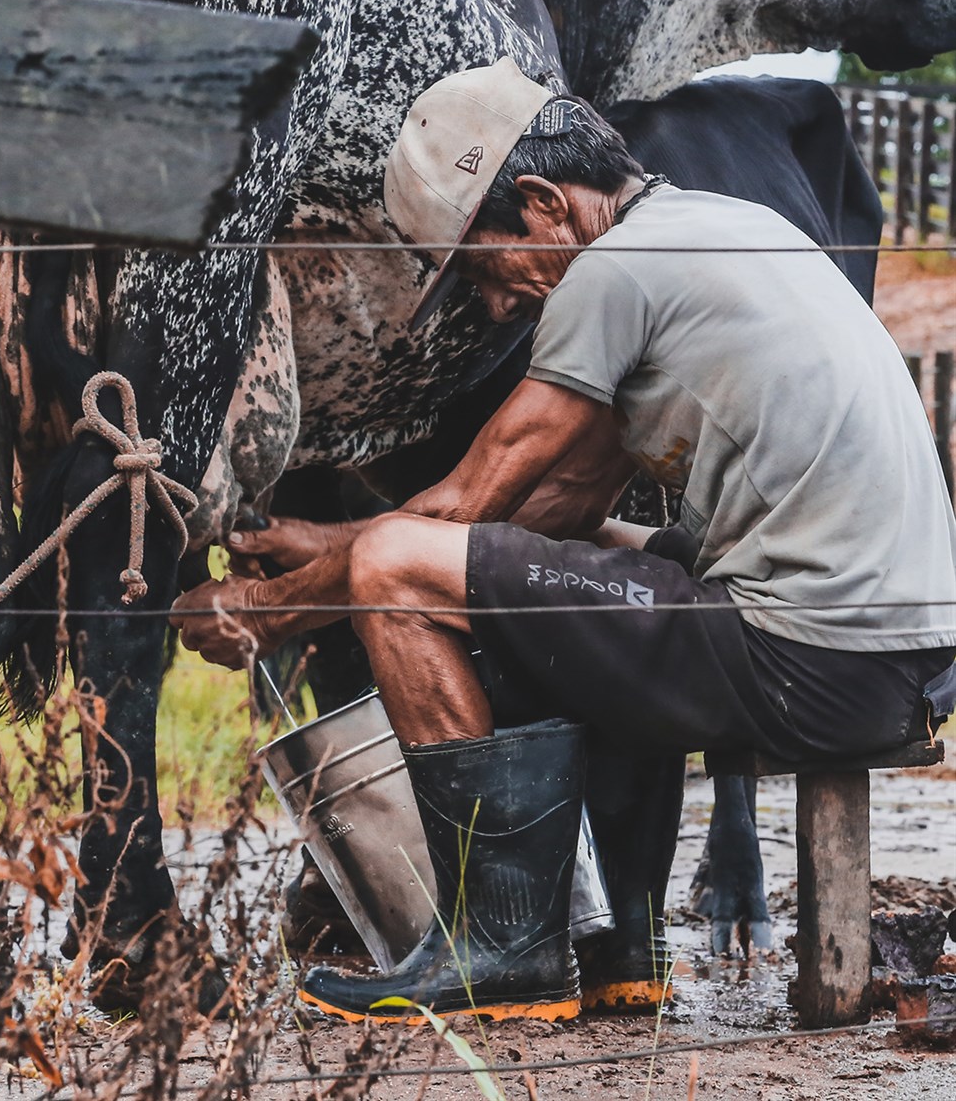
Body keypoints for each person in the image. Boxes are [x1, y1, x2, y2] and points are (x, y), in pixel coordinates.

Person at [171, 58, 956, 1024]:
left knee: (400, 566)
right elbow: (554, 513)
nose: (494, 305)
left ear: (545, 203)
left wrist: (267, 609)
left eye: (481, 265)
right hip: (894, 658)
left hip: (811, 659)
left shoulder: (612, 271)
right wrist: (322, 538)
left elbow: (462, 511)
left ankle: (499, 947)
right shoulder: (715, 229)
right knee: (590, 574)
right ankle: (623, 945)